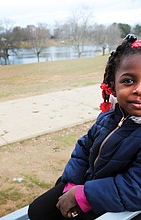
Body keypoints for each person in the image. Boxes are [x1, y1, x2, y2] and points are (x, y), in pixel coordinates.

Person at [28, 34, 141, 220]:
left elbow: (135, 187)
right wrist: (71, 184)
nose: (138, 89)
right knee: (37, 211)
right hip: (87, 183)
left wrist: (83, 196)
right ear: (112, 87)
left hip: (113, 203)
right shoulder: (109, 117)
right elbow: (84, 147)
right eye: (128, 81)